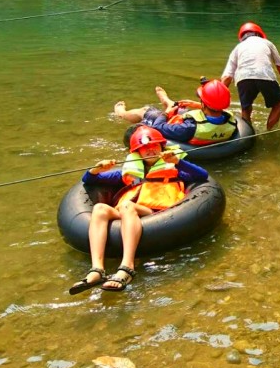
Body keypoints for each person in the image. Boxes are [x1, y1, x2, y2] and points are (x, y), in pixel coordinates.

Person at [69, 126, 209, 294]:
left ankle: (127, 267)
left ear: (162, 147)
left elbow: (202, 175)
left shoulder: (175, 169)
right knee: (99, 209)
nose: (149, 150)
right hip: (128, 213)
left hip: (157, 214)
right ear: (137, 152)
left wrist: (177, 161)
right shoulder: (128, 171)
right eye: (144, 148)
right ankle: (97, 269)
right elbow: (89, 180)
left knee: (128, 206)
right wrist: (96, 169)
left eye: (154, 146)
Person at [114, 79, 238, 147]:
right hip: (196, 124)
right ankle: (168, 101)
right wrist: (195, 104)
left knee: (146, 110)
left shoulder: (189, 128)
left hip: (176, 126)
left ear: (204, 103)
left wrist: (166, 113)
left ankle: (121, 112)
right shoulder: (231, 121)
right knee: (180, 107)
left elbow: (158, 127)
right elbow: (215, 110)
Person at [221, 22, 280, 130]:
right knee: (277, 105)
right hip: (265, 75)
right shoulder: (267, 43)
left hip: (243, 78)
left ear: (242, 37)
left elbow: (227, 77)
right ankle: (269, 132)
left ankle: (248, 135)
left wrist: (216, 100)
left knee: (245, 109)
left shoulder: (237, 48)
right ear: (259, 34)